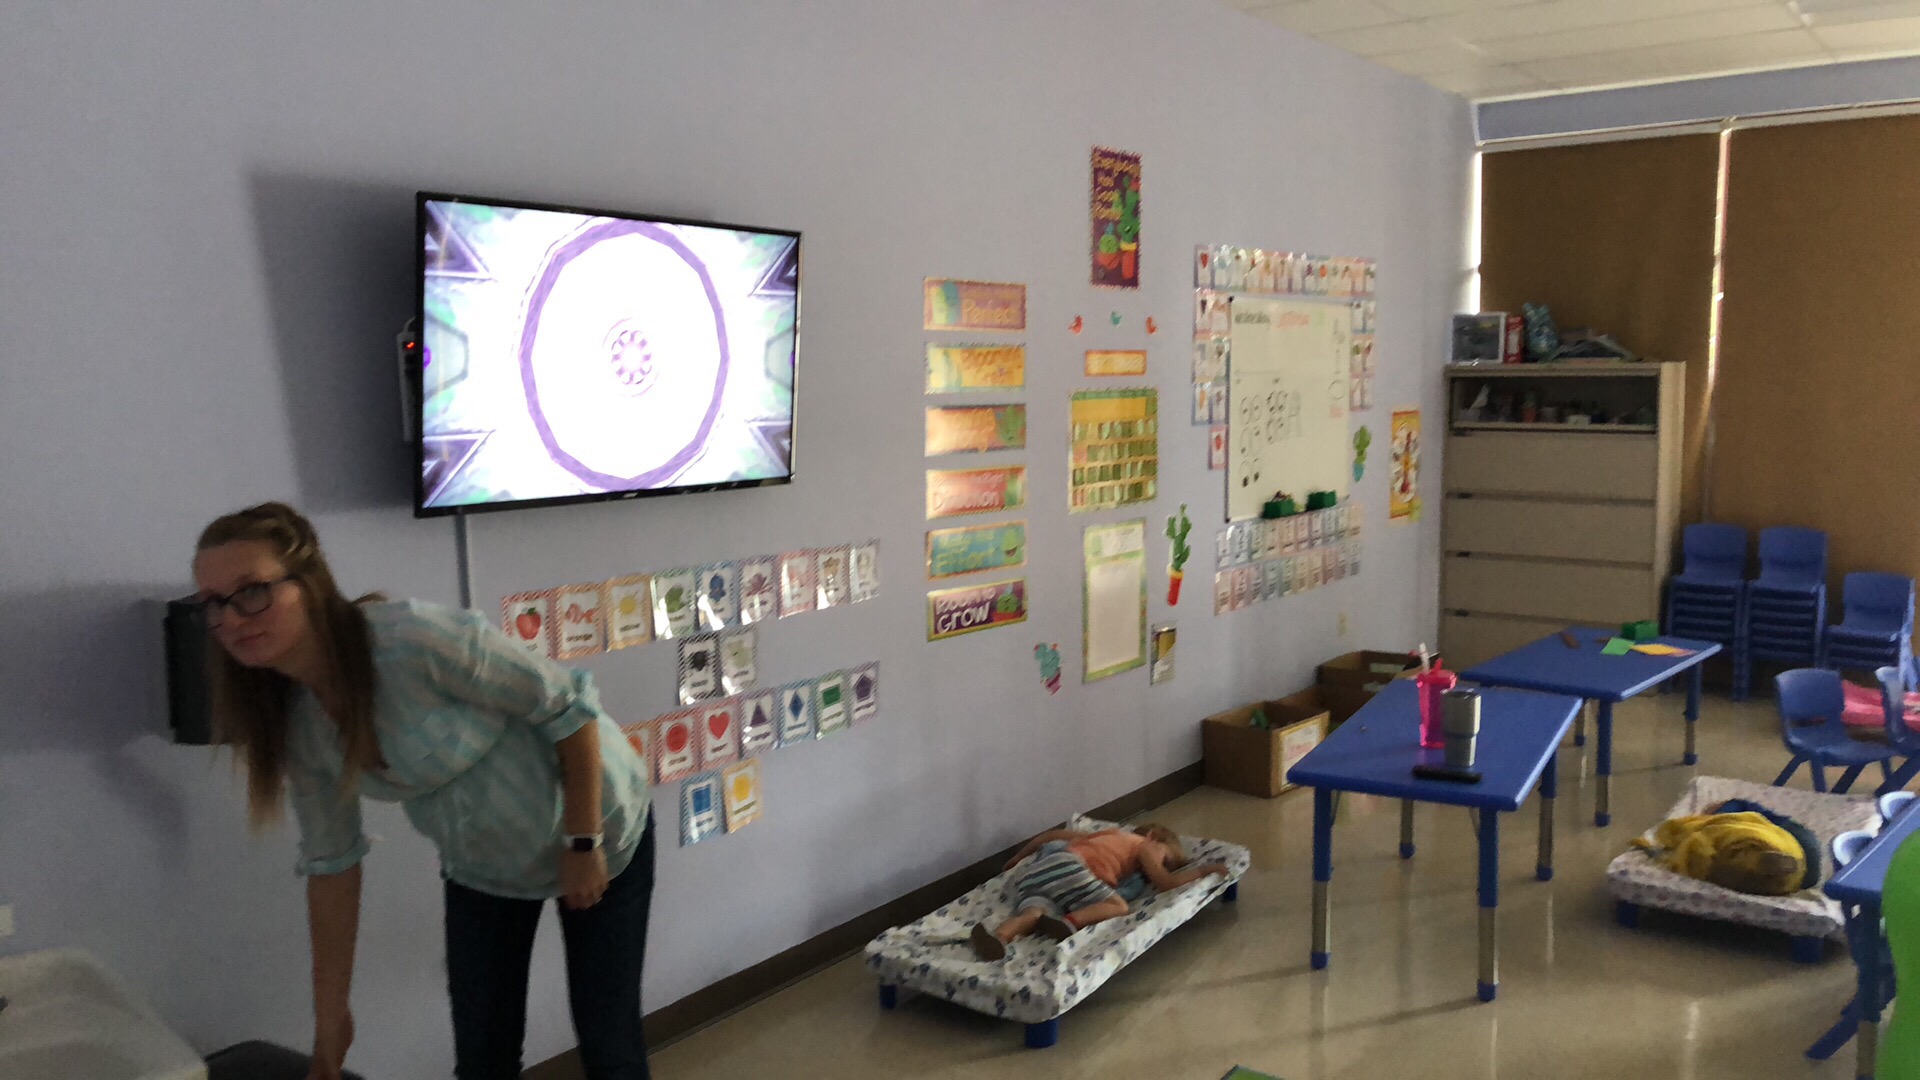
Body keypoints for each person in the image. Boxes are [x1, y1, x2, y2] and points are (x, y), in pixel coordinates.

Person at [191, 503, 653, 1080]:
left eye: (252, 591)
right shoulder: (299, 723)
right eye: (212, 602)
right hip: (483, 865)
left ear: (308, 584)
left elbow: (569, 708)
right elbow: (332, 863)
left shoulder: (411, 640)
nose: (232, 619)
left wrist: (584, 841)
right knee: (482, 1060)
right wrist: (331, 1020)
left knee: (609, 1045)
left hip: (596, 826)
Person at [971, 823, 1228, 960]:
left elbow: (1053, 835)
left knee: (1032, 914)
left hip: (1039, 872)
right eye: (1166, 859)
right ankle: (1069, 922)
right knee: (1119, 906)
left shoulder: (1107, 834)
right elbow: (1166, 882)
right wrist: (1203, 871)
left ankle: (1000, 936)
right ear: (1153, 836)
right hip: (1070, 868)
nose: (1158, 866)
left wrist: (1019, 857)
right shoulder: (1143, 846)